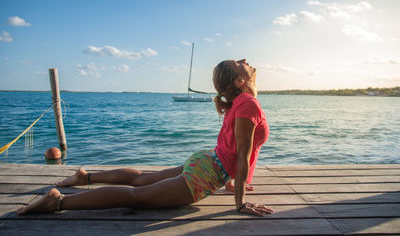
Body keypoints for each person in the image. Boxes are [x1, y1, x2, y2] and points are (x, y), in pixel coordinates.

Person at [17, 59, 273, 217]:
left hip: (208, 162)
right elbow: (241, 156)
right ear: (240, 80)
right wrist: (240, 204)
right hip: (206, 173)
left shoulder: (242, 101)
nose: (246, 60)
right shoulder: (248, 104)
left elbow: (239, 150)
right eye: (240, 63)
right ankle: (58, 202)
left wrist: (230, 183)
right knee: (136, 197)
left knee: (141, 180)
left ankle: (85, 177)